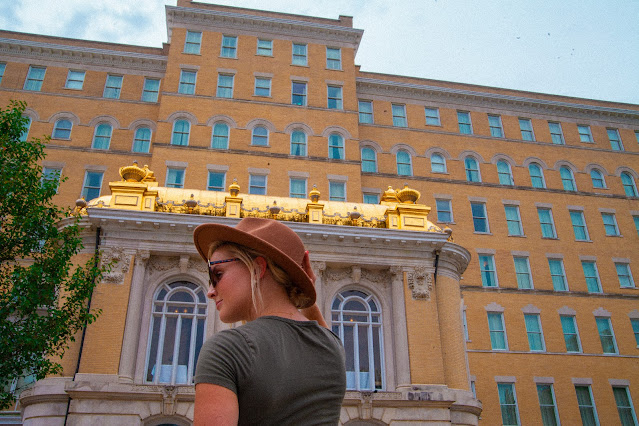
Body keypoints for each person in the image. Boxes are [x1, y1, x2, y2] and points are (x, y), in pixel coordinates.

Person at [193, 217, 346, 425]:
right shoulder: (333, 349)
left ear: (257, 269)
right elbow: (323, 335)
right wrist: (304, 292)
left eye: (217, 274)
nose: (210, 291)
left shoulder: (227, 350)